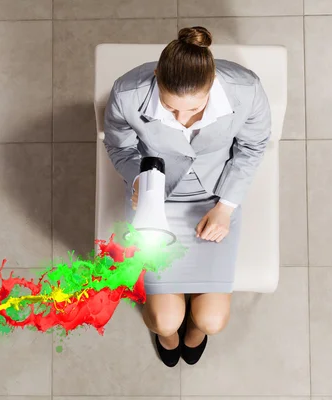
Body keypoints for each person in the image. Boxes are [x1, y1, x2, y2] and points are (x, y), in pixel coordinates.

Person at [103, 26, 271, 367]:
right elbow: (119, 147)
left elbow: (252, 147)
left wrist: (225, 207)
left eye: (194, 110)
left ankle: (194, 331)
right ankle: (168, 336)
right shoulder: (127, 93)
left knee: (212, 321)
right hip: (156, 199)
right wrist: (139, 183)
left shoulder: (246, 88)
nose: (182, 120)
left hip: (215, 197)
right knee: (164, 320)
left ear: (211, 85)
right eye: (171, 108)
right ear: (156, 77)